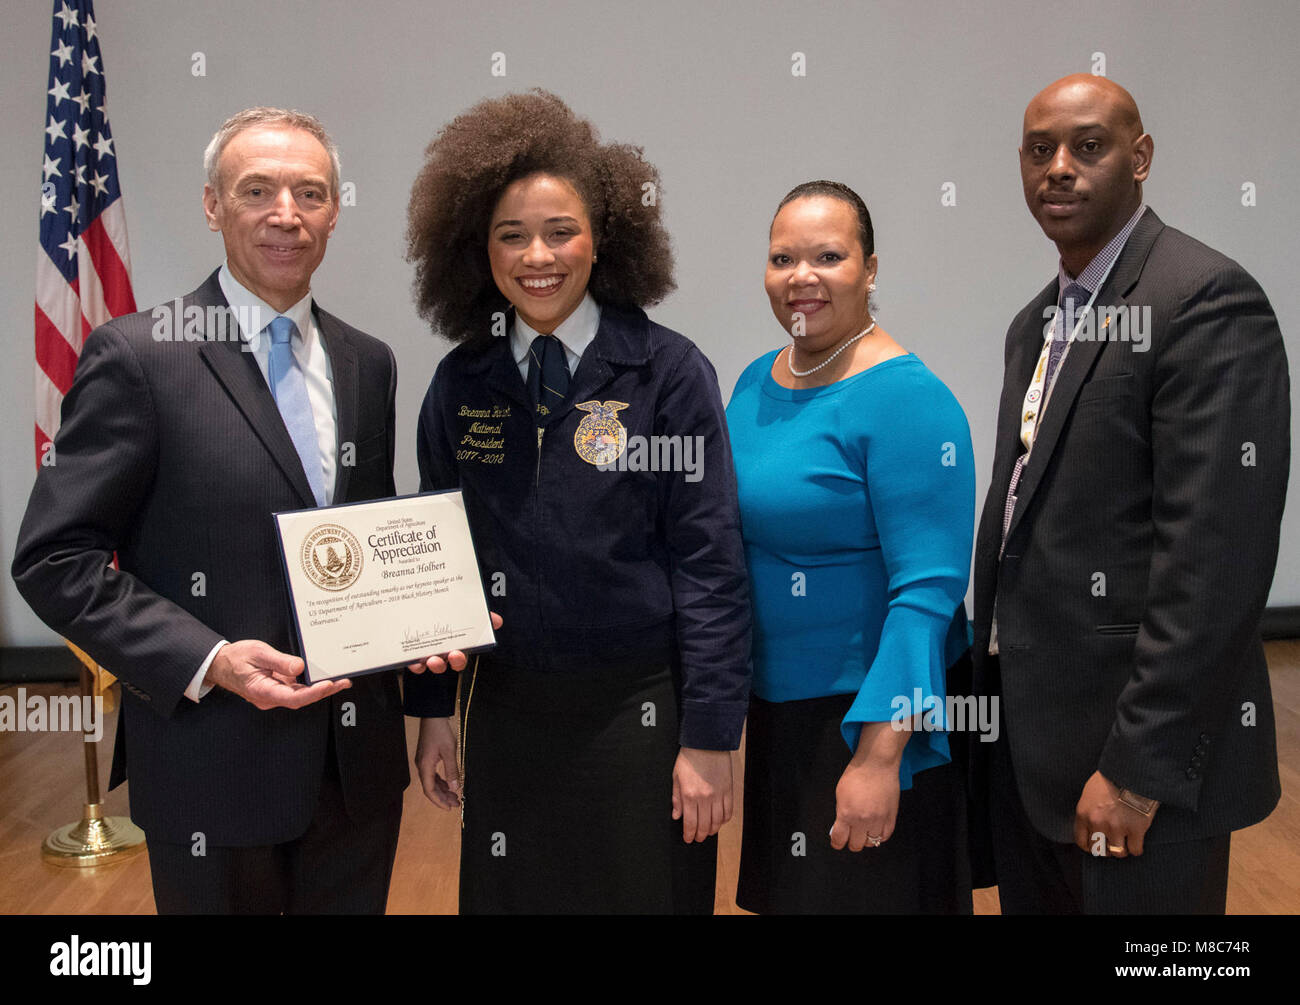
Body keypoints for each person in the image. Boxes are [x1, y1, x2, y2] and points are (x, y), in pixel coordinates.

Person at [11, 107, 456, 914]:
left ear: (334, 210)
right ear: (213, 206)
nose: (287, 214)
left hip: (354, 770)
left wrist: (428, 630)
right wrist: (208, 657)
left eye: (310, 193)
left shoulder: (368, 363)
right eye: (258, 190)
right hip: (212, 762)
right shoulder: (139, 357)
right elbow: (54, 558)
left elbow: (363, 538)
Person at [402, 89, 752, 914]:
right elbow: (432, 554)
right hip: (507, 711)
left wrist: (709, 735)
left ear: (604, 240)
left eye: (561, 231)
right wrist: (431, 711)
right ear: (476, 250)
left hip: (636, 712)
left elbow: (711, 564)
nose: (538, 256)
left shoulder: (668, 373)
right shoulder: (462, 380)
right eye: (511, 235)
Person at [971, 74, 1289, 913]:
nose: (1060, 169)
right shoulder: (1034, 323)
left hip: (1136, 775)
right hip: (1034, 760)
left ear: (1140, 157)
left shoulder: (1204, 300)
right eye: (1040, 151)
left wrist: (1138, 774)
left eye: (1088, 145)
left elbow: (1214, 566)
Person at [726, 181, 976, 914]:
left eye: (828, 256)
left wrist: (877, 755)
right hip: (781, 717)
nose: (801, 276)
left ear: (870, 269)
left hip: (864, 718)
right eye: (782, 258)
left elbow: (927, 593)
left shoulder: (908, 397)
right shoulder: (755, 379)